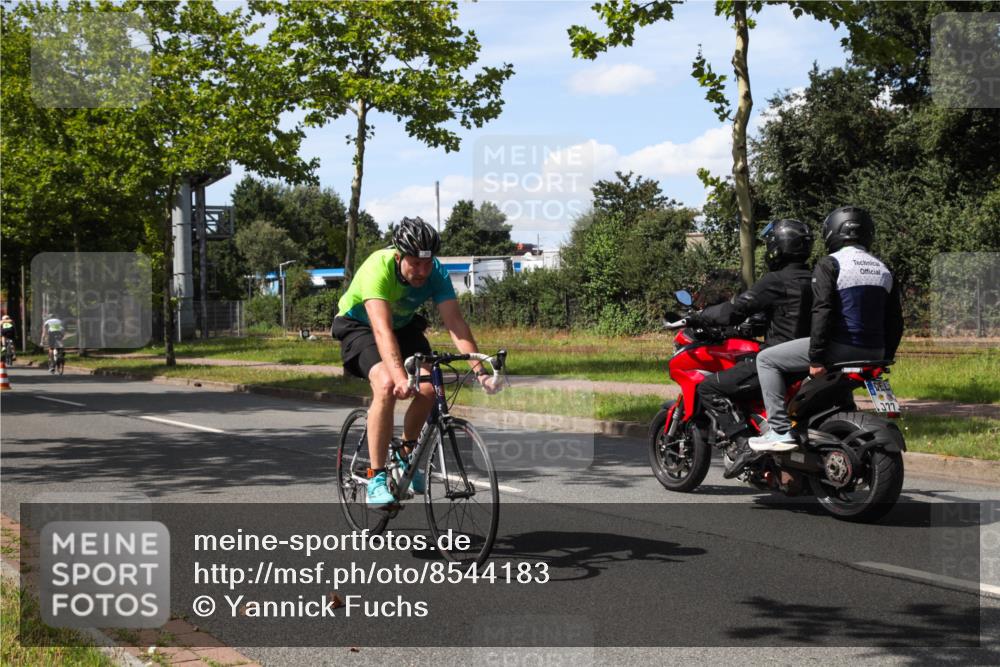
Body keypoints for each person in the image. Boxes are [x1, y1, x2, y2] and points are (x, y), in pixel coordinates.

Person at [332, 217, 498, 507]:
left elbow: (456, 324)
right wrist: (399, 377)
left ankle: (405, 458)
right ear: (399, 258)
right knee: (385, 384)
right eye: (415, 264)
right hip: (360, 326)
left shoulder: (437, 273)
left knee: (430, 387)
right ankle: (376, 478)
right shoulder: (377, 267)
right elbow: (382, 331)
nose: (422, 271)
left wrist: (480, 372)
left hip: (403, 326)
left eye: (427, 263)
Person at [749, 206, 904, 452]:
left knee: (766, 359)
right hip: (875, 353)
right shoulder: (884, 268)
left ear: (832, 232)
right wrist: (886, 355)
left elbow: (822, 311)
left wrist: (817, 357)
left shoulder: (831, 264)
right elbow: (895, 319)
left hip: (839, 349)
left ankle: (779, 430)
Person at [694, 219, 815, 477]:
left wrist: (702, 315)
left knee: (709, 387)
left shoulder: (775, 280)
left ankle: (742, 444)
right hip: (810, 359)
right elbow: (787, 314)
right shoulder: (815, 278)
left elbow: (736, 309)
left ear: (778, 247)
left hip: (779, 362)